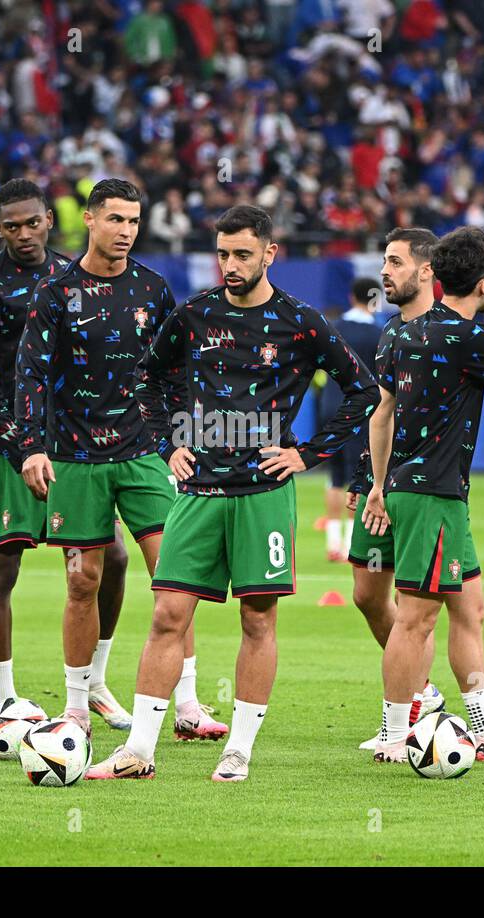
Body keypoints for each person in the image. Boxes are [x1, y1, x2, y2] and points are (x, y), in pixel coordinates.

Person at [86, 204, 378, 782]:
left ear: (270, 253)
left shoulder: (301, 321)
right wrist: (170, 440)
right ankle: (138, 752)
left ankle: (239, 749)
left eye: (243, 254)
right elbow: (147, 377)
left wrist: (307, 455)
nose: (230, 264)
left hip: (263, 493)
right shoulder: (193, 315)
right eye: (223, 253)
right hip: (198, 491)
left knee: (258, 619)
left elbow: (362, 392)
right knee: (168, 612)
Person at [17, 179, 220, 739]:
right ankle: (78, 705)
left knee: (174, 577)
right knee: (83, 583)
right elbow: (30, 373)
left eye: (134, 221)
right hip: (76, 457)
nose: (126, 231)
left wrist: (182, 439)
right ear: (89, 219)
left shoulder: (154, 290)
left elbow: (176, 373)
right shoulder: (56, 292)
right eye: (116, 220)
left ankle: (188, 706)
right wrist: (32, 446)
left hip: (144, 453)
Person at [361, 226, 484, 763]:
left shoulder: (400, 330)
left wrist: (378, 485)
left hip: (419, 491)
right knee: (415, 617)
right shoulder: (467, 337)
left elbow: (381, 415)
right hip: (434, 495)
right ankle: (395, 734)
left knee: (472, 609)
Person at [0, 179, 131, 710]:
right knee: (2, 569)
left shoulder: (71, 276)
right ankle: (5, 698)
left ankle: (95, 683)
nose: (24, 233)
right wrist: (23, 448)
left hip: (74, 448)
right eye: (11, 226)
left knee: (112, 561)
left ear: (49, 220)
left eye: (32, 222)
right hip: (6, 449)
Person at [346, 228, 450, 750]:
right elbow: (381, 413)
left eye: (394, 261)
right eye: (383, 261)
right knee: (366, 593)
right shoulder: (390, 333)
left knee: (417, 610)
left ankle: (409, 710)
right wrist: (367, 479)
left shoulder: (451, 331)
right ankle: (423, 692)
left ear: (426, 269)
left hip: (430, 488)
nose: (384, 271)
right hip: (385, 483)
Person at [320, 276, 382, 561]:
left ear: (350, 297)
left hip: (330, 407)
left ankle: (333, 543)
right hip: (361, 411)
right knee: (359, 476)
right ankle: (349, 544)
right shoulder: (379, 334)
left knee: (334, 477)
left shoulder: (333, 328)